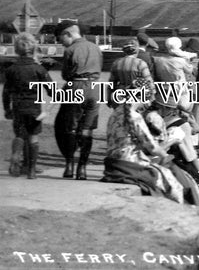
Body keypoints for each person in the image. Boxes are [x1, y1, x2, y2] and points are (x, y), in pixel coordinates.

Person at [100, 83, 184, 204]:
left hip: (112, 161)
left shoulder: (114, 114)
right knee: (172, 182)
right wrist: (172, 143)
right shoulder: (135, 117)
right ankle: (176, 211)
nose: (147, 104)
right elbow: (153, 149)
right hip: (129, 162)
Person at [54, 20, 103, 180]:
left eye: (62, 38)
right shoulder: (96, 48)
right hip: (95, 89)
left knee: (69, 128)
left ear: (68, 34)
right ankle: (82, 169)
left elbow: (65, 75)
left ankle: (69, 166)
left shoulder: (71, 50)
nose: (61, 42)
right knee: (88, 129)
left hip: (75, 87)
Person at [2, 33, 53, 179]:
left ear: (17, 50)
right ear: (34, 49)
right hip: (34, 108)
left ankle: (16, 155)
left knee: (19, 134)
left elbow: (6, 93)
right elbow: (51, 91)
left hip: (18, 107)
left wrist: (7, 109)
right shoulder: (39, 69)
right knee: (33, 137)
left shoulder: (11, 70)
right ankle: (31, 170)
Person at [108, 39, 154, 108]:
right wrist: (152, 98)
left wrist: (109, 99)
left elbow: (111, 84)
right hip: (136, 98)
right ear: (136, 49)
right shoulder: (140, 63)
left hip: (119, 97)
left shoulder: (116, 63)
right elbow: (149, 82)